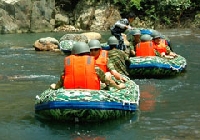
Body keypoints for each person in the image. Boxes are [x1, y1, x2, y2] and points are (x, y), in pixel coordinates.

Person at [50, 42, 125, 90]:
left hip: (71, 90)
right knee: (107, 76)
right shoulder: (93, 66)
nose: (93, 52)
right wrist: (118, 87)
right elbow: (106, 80)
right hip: (91, 91)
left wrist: (55, 86)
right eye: (91, 50)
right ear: (87, 52)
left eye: (96, 50)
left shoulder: (69, 64)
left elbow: (62, 79)